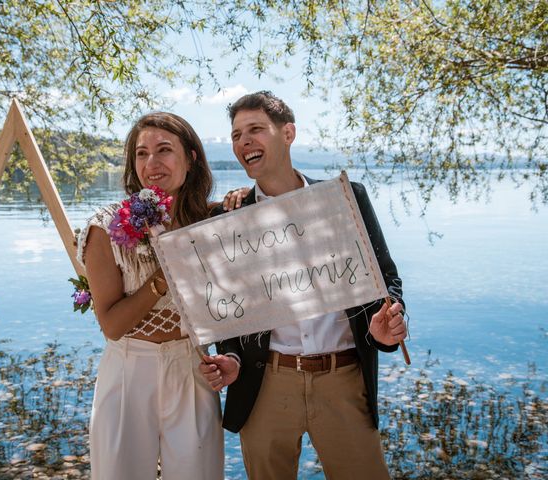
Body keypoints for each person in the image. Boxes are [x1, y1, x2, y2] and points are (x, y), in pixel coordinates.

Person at [199, 91, 408, 479]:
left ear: (289, 132)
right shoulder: (229, 217)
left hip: (344, 378)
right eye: (236, 134)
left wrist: (388, 327)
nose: (244, 141)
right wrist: (231, 358)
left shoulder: (344, 198)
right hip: (266, 384)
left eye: (256, 129)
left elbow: (386, 279)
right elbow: (228, 308)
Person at [76, 112, 224, 479]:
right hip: (129, 372)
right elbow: (111, 325)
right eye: (141, 154)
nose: (152, 163)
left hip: (193, 368)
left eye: (164, 150)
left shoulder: (212, 224)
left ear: (191, 158)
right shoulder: (106, 227)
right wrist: (163, 276)